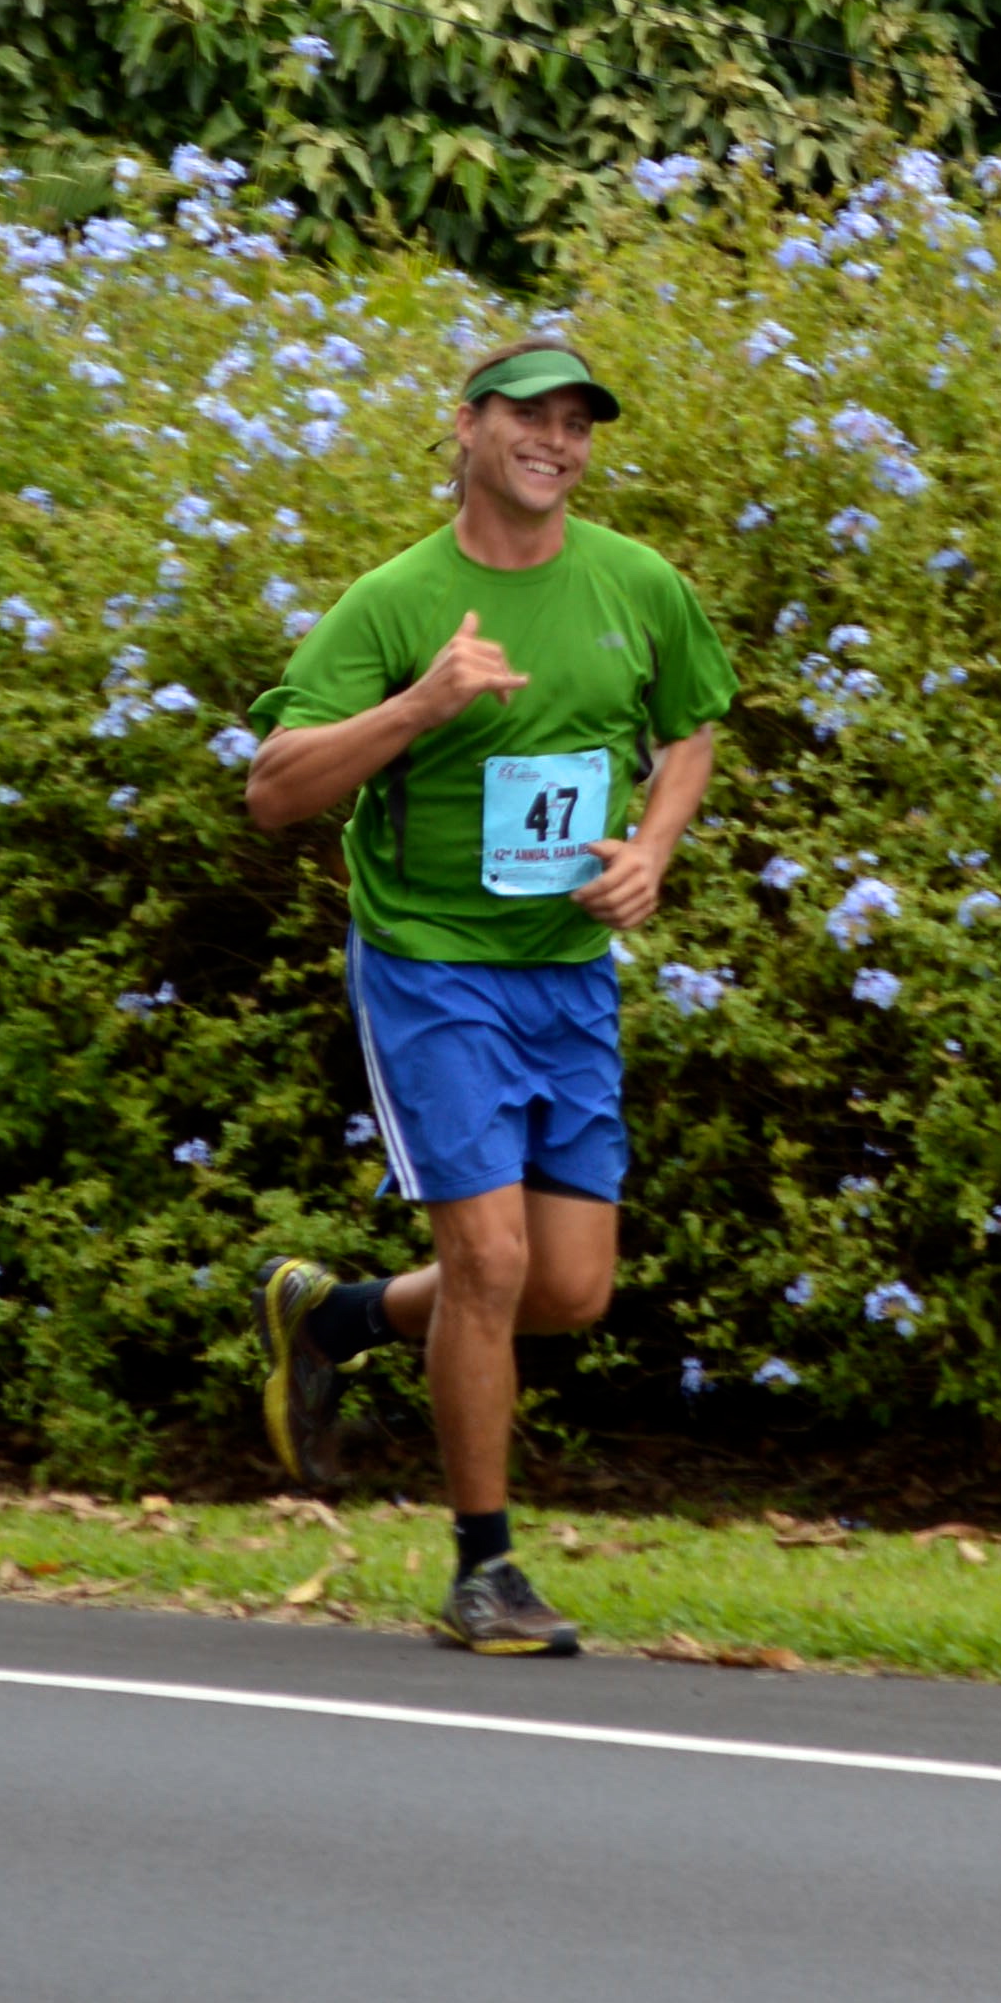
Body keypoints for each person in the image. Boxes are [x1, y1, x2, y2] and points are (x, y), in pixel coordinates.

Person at [244, 331, 735, 1655]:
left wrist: (653, 849)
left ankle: (335, 1317)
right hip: (430, 966)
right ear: (466, 426)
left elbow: (691, 726)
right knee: (490, 1260)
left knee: (568, 1290)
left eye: (578, 423)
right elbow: (276, 789)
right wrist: (419, 705)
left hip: (566, 974)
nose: (554, 442)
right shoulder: (397, 601)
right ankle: (485, 1573)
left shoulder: (637, 583)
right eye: (529, 415)